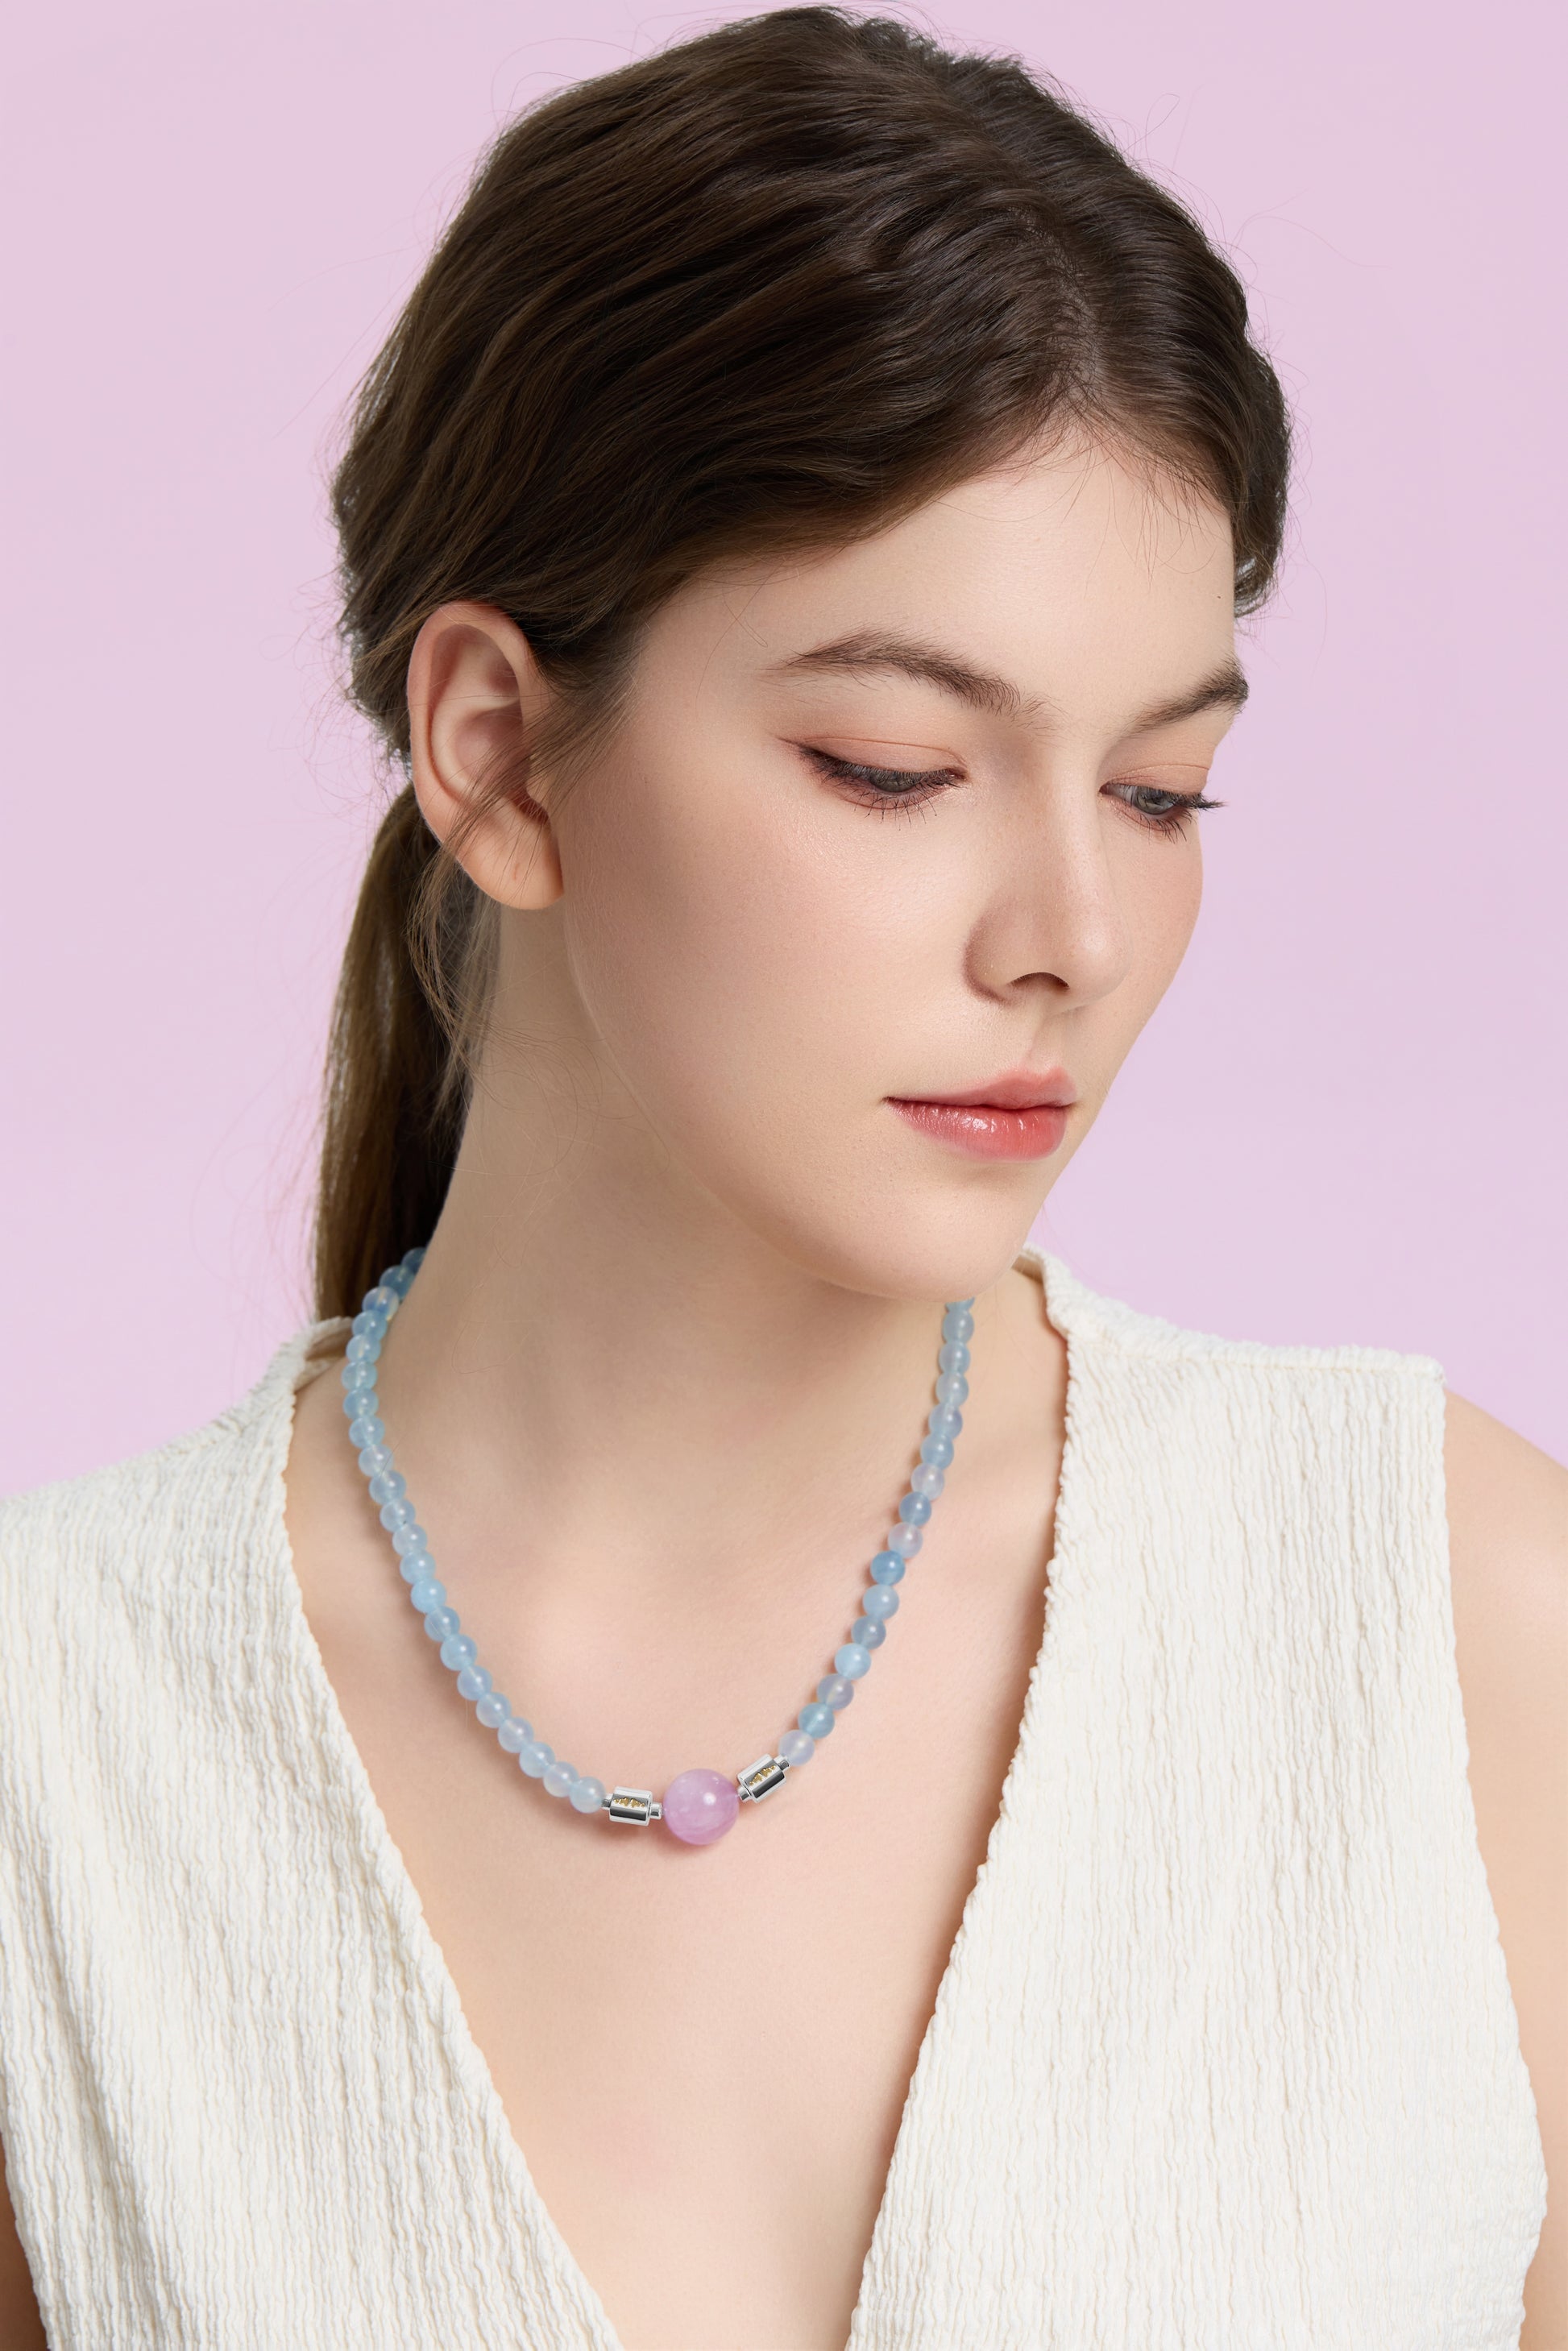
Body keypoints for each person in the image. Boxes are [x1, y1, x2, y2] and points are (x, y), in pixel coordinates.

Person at [0, 10, 1560, 2347]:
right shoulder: (58, 1747)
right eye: (896, 766)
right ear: (498, 753)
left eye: (1158, 793)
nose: (1072, 935)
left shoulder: (1451, 1627)